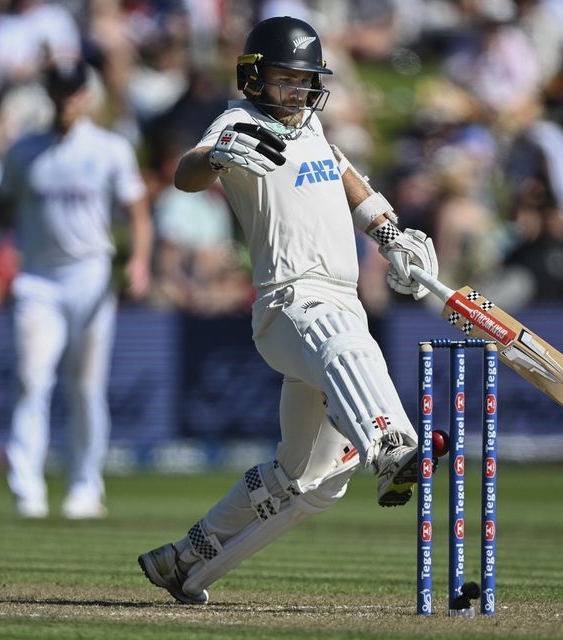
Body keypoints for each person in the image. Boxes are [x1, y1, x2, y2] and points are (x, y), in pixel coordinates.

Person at [137, 16, 438, 605]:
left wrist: (389, 233)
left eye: (305, 82)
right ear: (254, 77)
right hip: (290, 301)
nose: (297, 93)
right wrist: (219, 154)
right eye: (285, 80)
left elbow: (348, 175)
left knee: (305, 481)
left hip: (340, 297)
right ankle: (392, 442)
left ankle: (186, 560)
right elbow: (185, 173)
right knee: (346, 343)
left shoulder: (313, 126)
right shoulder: (241, 120)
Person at [0, 60, 153, 519]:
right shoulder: (23, 151)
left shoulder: (110, 149)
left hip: (90, 275)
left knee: (86, 387)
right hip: (38, 280)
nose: (67, 101)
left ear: (86, 96)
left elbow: (137, 214)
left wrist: (139, 260)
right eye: (59, 92)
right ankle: (26, 488)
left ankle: (85, 486)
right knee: (31, 380)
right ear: (49, 95)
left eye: (74, 92)